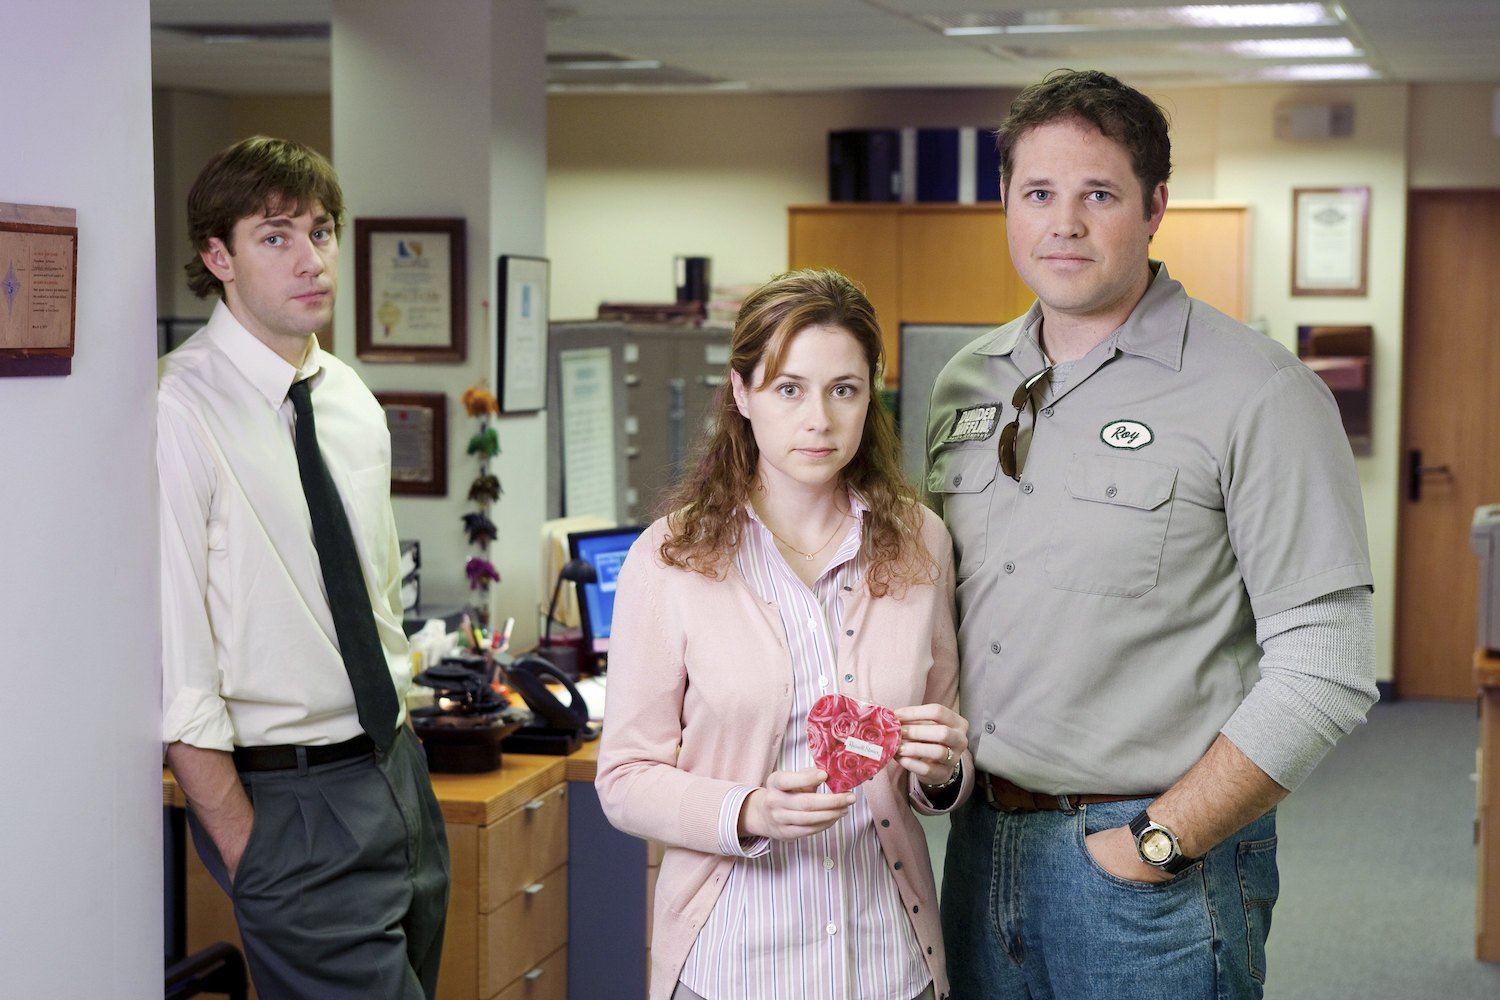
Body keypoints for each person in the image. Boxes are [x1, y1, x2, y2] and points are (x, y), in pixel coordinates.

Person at [926, 70, 1377, 999]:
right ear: (1004, 201)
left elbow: (1327, 663)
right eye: (1038, 193)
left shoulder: (1259, 390)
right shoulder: (966, 381)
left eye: (1099, 194)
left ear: (1155, 207)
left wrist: (1160, 842)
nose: (1064, 224)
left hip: (1149, 876)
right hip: (979, 852)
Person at [596, 269, 974, 1000]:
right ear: (742, 394)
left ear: (871, 396)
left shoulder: (921, 541)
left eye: (844, 390)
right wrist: (750, 810)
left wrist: (942, 770)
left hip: (889, 964)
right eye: (789, 388)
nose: (819, 420)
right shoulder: (669, 558)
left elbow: (940, 769)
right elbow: (624, 780)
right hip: (732, 963)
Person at [158, 136, 449, 998]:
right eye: (275, 237)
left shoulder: (348, 397)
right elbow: (175, 666)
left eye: (321, 232)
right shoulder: (177, 408)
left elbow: (377, 600)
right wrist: (247, 847)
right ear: (218, 257)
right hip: (290, 799)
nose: (311, 260)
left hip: (395, 772)